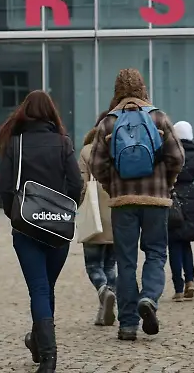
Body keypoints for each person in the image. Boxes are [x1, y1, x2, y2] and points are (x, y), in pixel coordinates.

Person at [90, 69, 185, 342]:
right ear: (143, 87)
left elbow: (97, 164)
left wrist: (113, 186)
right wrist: (166, 182)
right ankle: (149, 298)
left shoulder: (109, 122)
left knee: (126, 262)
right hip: (155, 200)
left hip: (123, 202)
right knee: (156, 253)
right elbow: (178, 157)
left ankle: (128, 324)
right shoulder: (158, 117)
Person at [0, 90, 83, 373]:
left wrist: (15, 214)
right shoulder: (62, 142)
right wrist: (67, 209)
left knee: (40, 289)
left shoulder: (15, 144)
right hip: (58, 228)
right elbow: (75, 183)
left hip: (27, 228)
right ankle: (40, 344)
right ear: (51, 113)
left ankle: (47, 355)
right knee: (46, 288)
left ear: (24, 112)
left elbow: (6, 187)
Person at [78, 111, 117, 327]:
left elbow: (81, 186)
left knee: (93, 265)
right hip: (116, 213)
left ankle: (103, 291)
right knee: (111, 266)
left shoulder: (86, 151)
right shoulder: (117, 151)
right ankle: (104, 313)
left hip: (93, 215)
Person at [168, 120, 194, 302]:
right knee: (186, 243)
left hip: (172, 198)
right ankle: (190, 281)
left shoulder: (170, 154)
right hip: (190, 201)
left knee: (174, 244)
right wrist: (193, 194)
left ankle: (178, 288)